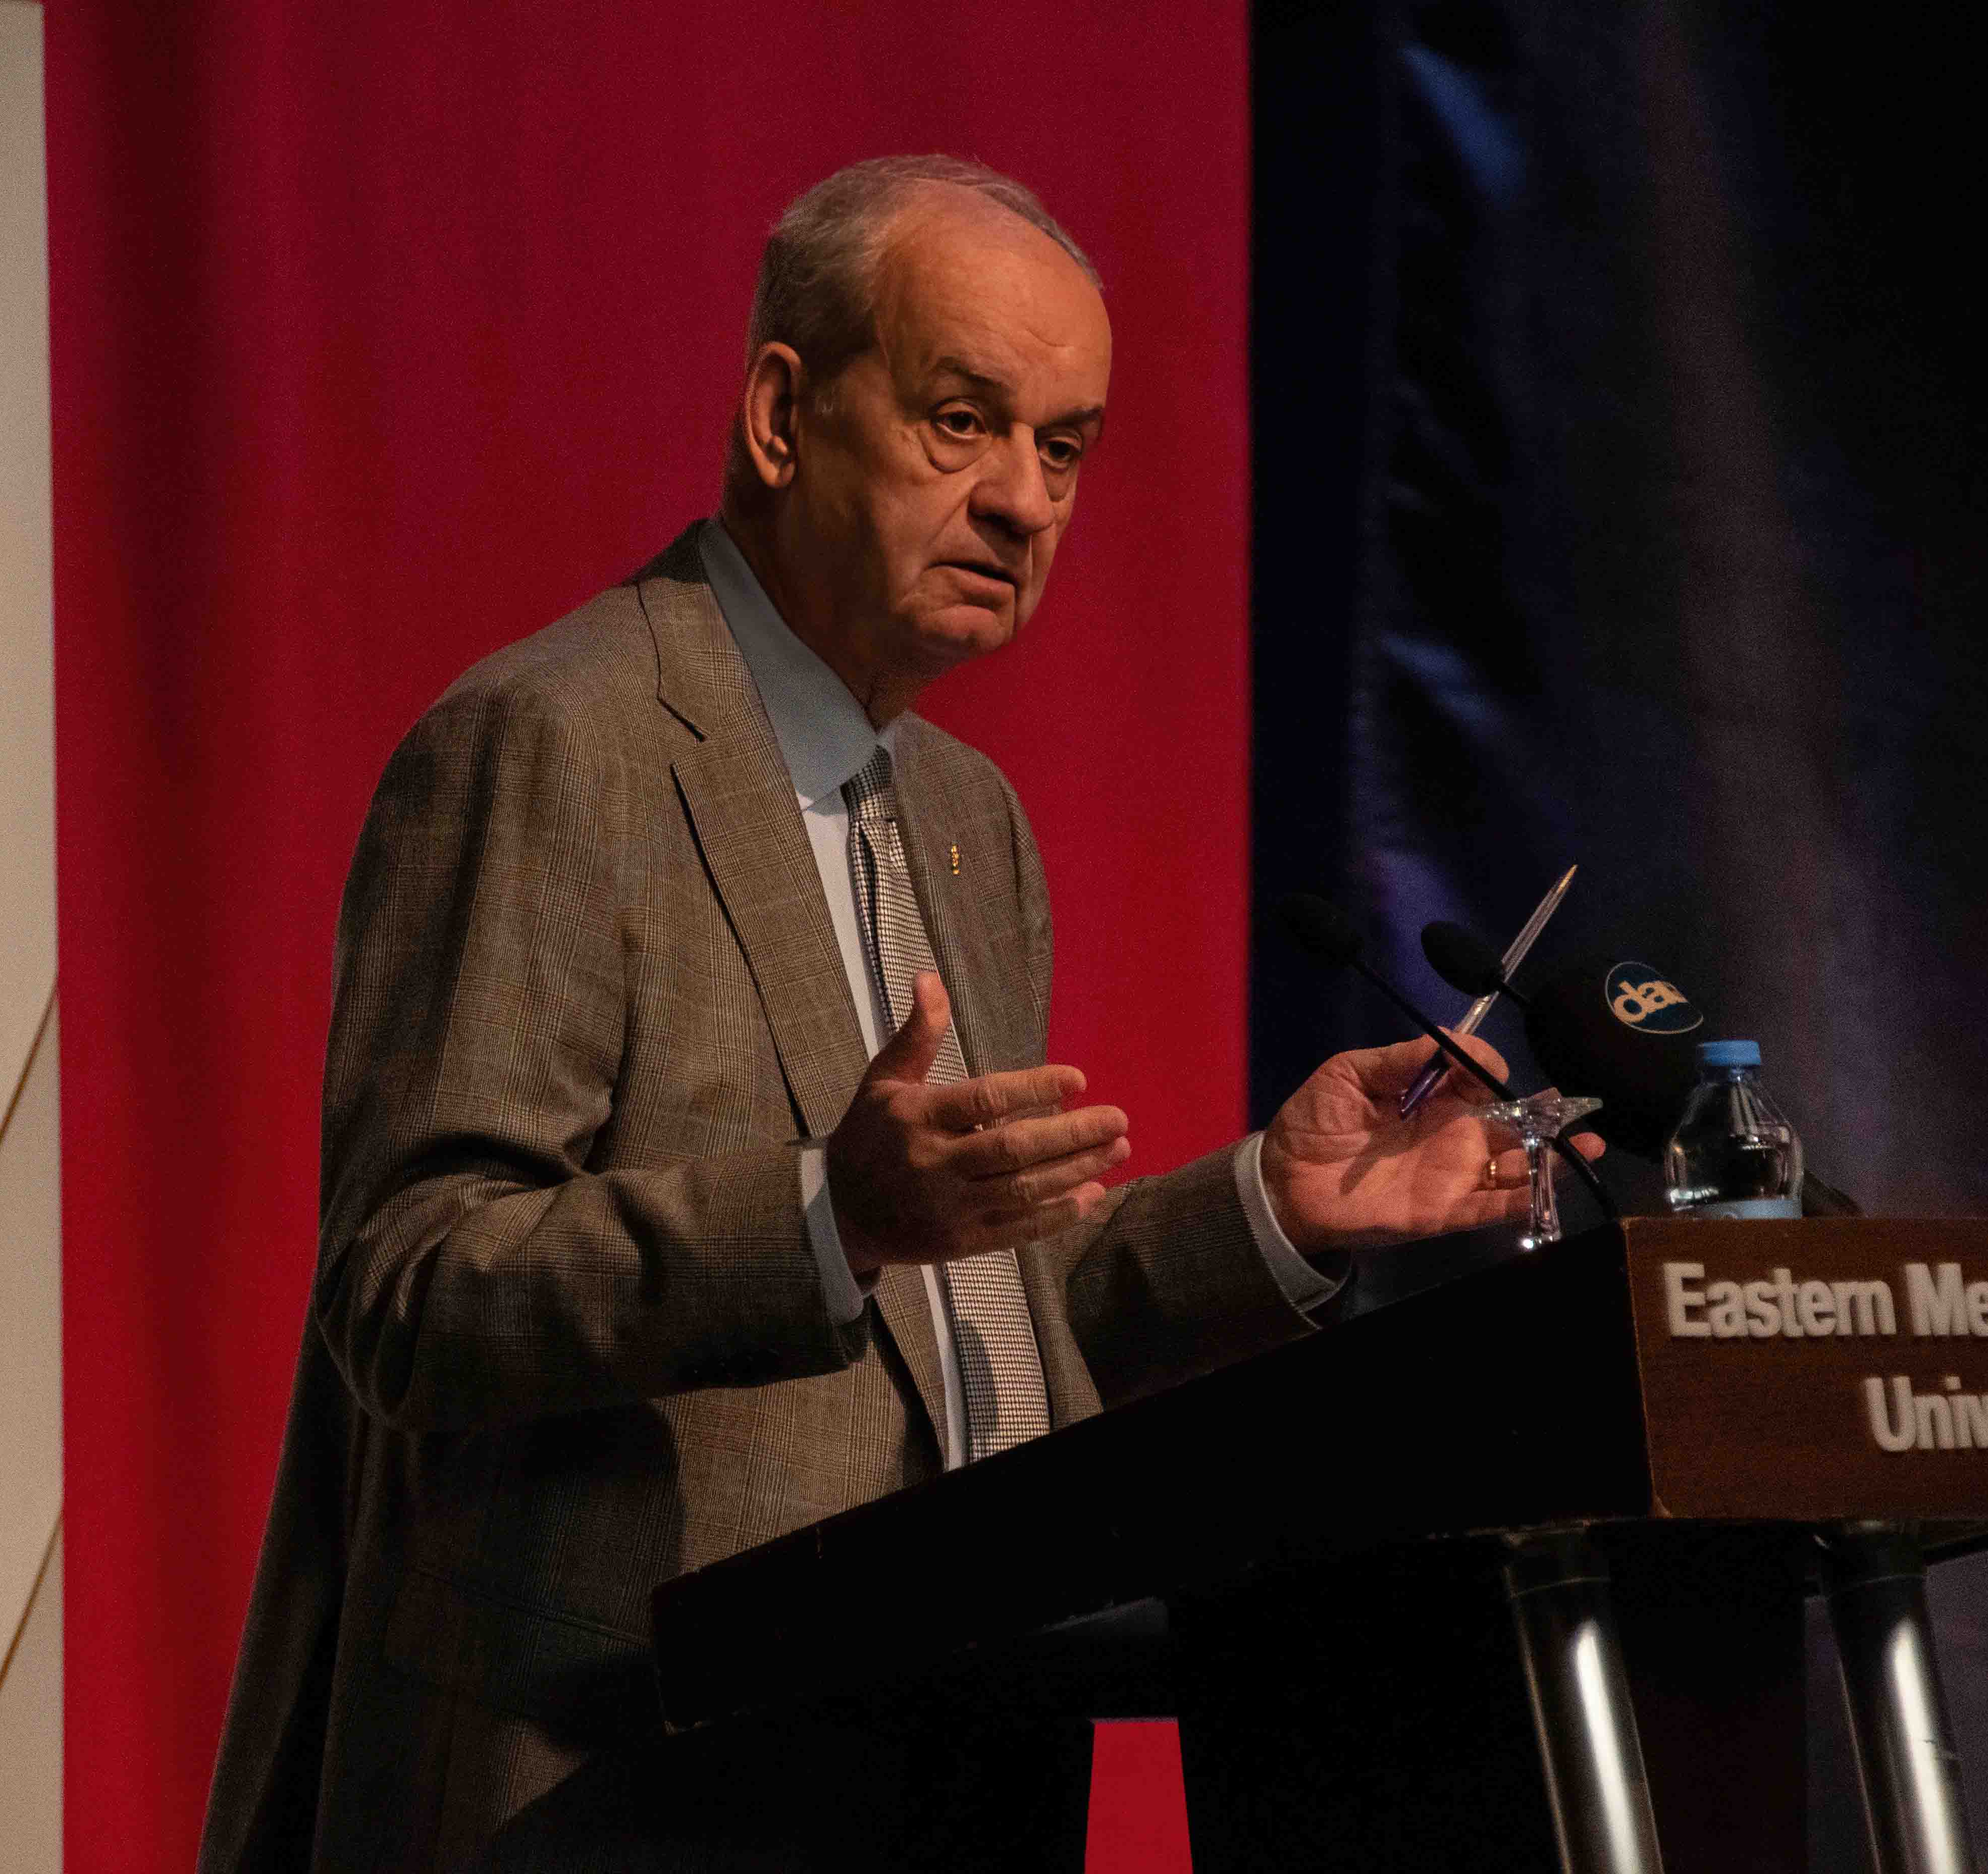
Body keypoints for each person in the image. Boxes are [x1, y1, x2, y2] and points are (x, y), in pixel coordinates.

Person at [198, 155, 1561, 1874]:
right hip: (621, 1797)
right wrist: (820, 1219)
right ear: (783, 416)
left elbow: (971, 1323)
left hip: (954, 1775)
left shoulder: (971, 819)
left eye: (1064, 447)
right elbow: (410, 1288)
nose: (1025, 502)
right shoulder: (554, 744)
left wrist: (1271, 1210)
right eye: (961, 422)